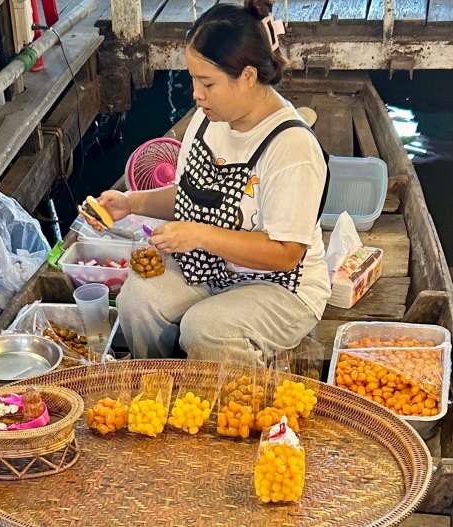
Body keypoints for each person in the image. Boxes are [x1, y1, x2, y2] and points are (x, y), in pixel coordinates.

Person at [100, 0, 330, 365]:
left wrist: (200, 235)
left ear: (249, 76)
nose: (197, 94)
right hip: (209, 267)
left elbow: (286, 253)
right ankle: (157, 385)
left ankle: (229, 395)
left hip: (280, 286)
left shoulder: (292, 147)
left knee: (204, 328)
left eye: (208, 82)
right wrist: (132, 202)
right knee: (137, 300)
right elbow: (194, 196)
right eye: (193, 79)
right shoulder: (208, 119)